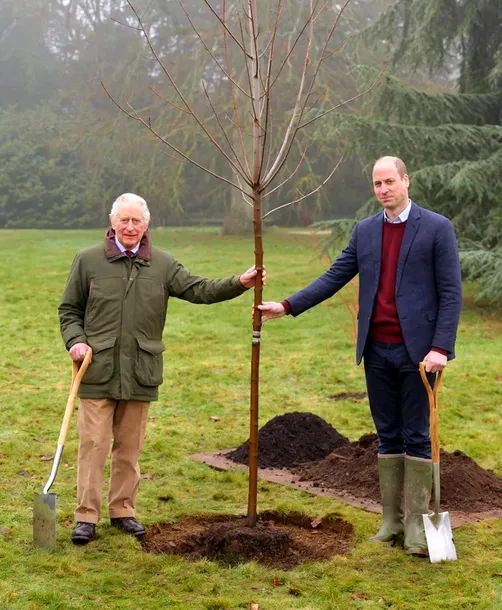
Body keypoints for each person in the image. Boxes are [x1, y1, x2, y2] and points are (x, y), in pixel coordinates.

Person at [258, 156, 462, 557]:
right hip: (376, 349)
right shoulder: (366, 232)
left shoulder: (437, 228)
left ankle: (420, 527)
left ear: (406, 180)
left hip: (420, 355)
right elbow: (335, 276)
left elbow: (451, 293)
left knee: (416, 433)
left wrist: (441, 348)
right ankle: (391, 521)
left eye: (389, 181)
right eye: (376, 184)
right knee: (387, 433)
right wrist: (287, 305)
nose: (383, 189)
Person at [59, 192, 265, 545]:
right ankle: (86, 517)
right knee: (92, 445)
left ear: (147, 224)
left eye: (136, 220)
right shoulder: (88, 261)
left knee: (129, 447)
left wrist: (239, 283)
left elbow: (199, 289)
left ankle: (122, 510)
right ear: (112, 222)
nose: (129, 226)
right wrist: (76, 340)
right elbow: (69, 310)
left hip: (141, 370)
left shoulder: (163, 264)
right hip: (97, 370)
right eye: (123, 219)